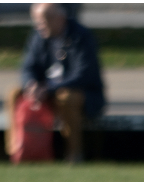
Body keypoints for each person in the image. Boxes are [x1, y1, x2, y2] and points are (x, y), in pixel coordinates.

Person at [19, 3, 105, 163]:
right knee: (13, 94)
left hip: (84, 95)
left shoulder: (81, 36)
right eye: (36, 22)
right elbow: (28, 67)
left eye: (43, 21)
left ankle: (74, 154)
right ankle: (17, 150)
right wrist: (31, 84)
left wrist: (49, 88)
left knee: (66, 97)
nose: (39, 26)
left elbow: (83, 75)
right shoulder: (38, 36)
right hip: (47, 92)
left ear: (59, 19)